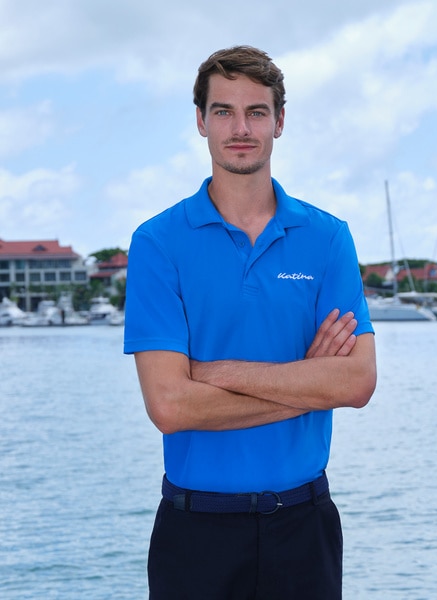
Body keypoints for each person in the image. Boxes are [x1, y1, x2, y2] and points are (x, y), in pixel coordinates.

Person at [124, 45, 376, 600]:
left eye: (256, 112)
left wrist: (212, 373)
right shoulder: (157, 243)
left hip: (304, 526)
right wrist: (309, 384)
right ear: (201, 121)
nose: (241, 128)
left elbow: (357, 383)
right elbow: (169, 407)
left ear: (279, 122)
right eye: (223, 111)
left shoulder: (328, 237)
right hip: (196, 533)